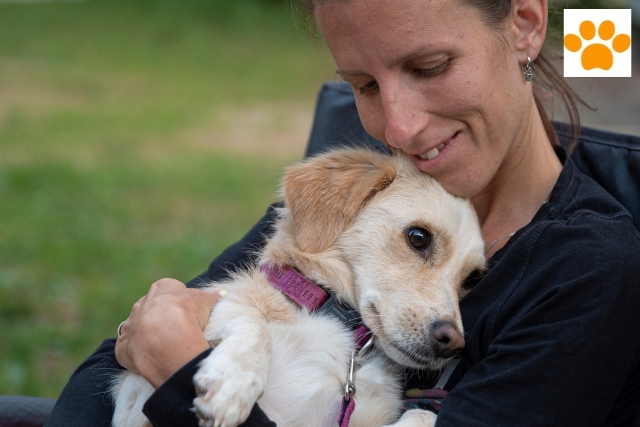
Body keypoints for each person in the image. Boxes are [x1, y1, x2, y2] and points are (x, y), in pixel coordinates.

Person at [44, 0, 640, 426]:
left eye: (429, 67)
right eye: (364, 85)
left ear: (526, 26)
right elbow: (109, 370)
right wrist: (162, 336)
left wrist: (180, 367)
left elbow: (166, 346)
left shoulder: (587, 272)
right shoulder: (368, 192)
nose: (398, 127)